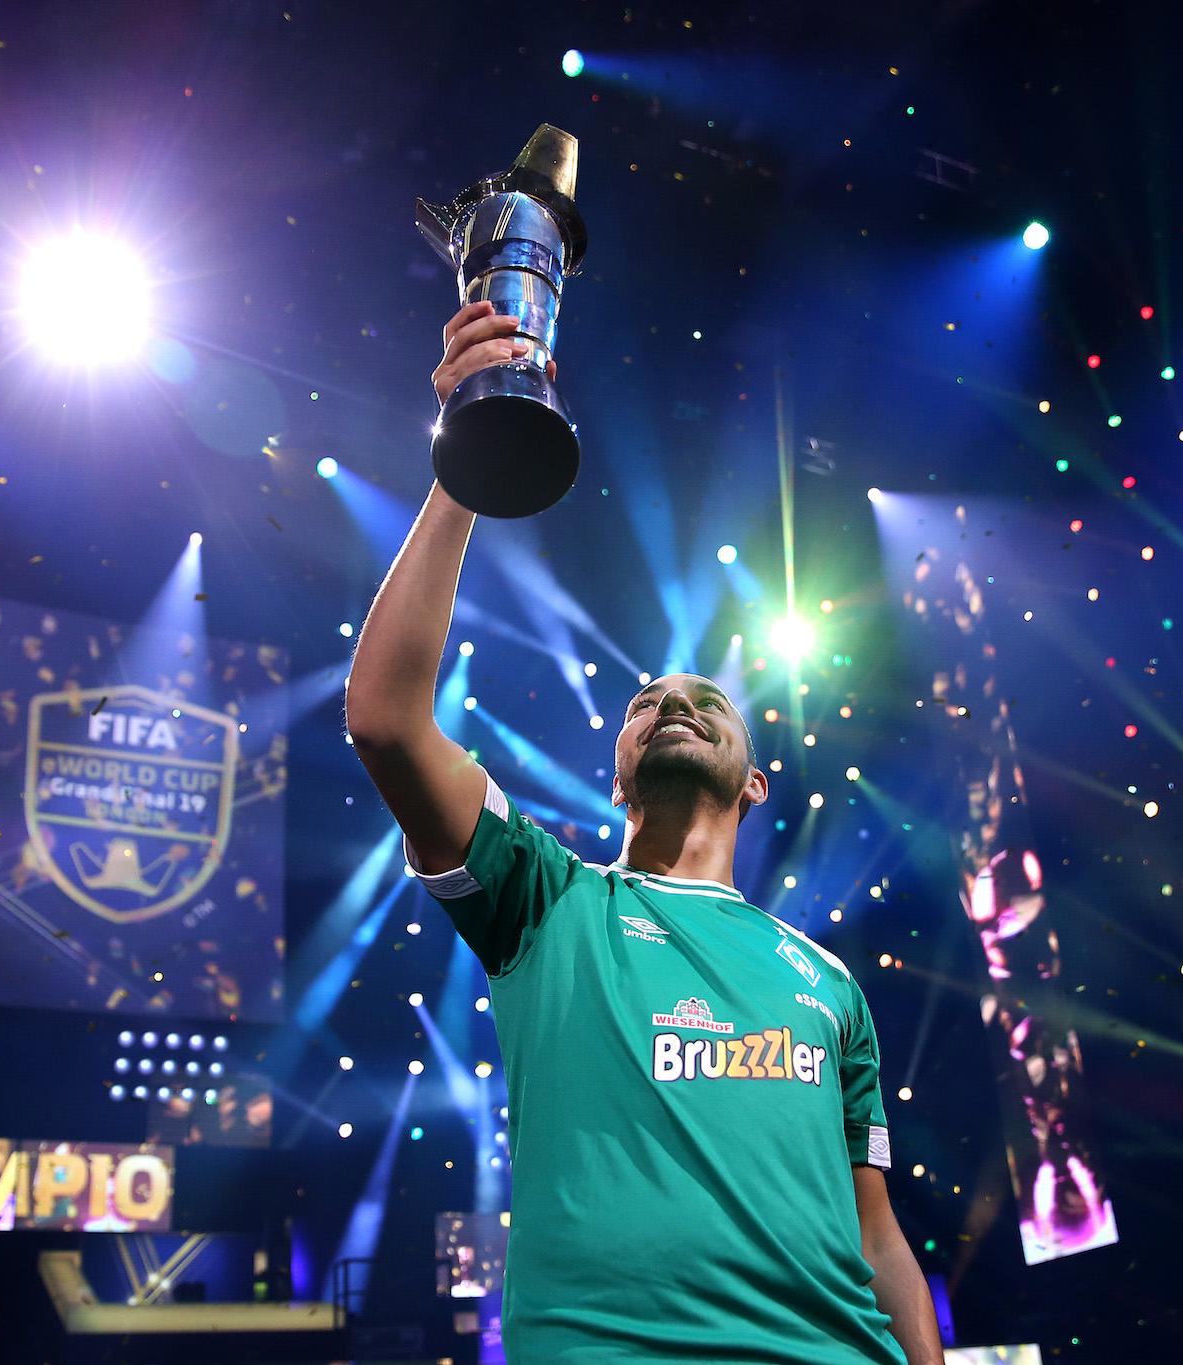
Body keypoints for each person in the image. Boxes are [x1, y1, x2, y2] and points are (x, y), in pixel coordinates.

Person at [344, 300, 942, 1363]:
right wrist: (467, 462)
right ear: (616, 776)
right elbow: (387, 721)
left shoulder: (827, 984)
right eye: (642, 703)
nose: (670, 702)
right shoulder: (545, 901)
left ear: (754, 783)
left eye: (705, 701)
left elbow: (875, 1235)